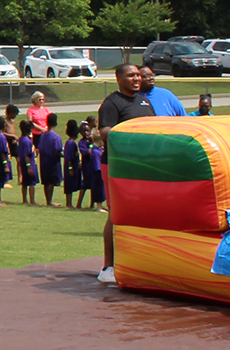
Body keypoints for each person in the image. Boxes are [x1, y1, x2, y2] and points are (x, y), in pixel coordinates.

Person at [96, 63, 157, 284]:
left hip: (140, 164)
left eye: (138, 76)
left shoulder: (144, 100)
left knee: (142, 212)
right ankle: (108, 267)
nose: (136, 79)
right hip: (116, 165)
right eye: (131, 76)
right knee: (116, 213)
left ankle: (137, 262)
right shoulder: (112, 103)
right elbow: (105, 132)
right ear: (119, 79)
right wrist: (133, 133)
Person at [17, 120, 37, 206]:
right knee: (32, 182)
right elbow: (26, 155)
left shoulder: (21, 139)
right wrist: (29, 167)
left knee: (25, 182)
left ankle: (25, 199)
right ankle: (32, 200)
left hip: (23, 163)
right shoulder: (26, 141)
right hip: (29, 164)